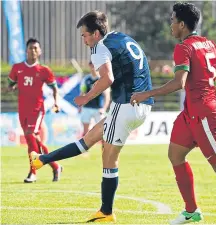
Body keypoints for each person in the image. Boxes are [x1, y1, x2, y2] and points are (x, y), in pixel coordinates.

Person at [31, 11, 154, 222]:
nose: (84, 40)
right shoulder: (122, 38)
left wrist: (86, 97)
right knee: (90, 140)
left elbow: (107, 79)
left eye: (85, 35)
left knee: (108, 158)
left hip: (126, 106)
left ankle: (106, 211)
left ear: (96, 33)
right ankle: (42, 160)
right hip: (143, 105)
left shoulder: (99, 48)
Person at [130, 2, 216, 225]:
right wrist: (214, 91)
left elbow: (178, 83)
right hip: (191, 114)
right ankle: (191, 210)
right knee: (175, 155)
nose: (170, 24)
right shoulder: (209, 44)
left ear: (182, 24)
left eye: (172, 20)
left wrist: (146, 94)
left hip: (202, 114)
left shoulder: (184, 47)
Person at [8, 38, 62, 183]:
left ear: (40, 51)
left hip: (37, 110)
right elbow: (11, 84)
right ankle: (55, 166)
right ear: (26, 51)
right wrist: (10, 88)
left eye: (36, 48)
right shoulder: (17, 68)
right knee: (34, 141)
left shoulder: (44, 70)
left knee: (31, 137)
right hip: (22, 111)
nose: (33, 50)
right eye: (31, 48)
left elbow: (54, 88)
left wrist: (56, 103)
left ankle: (33, 173)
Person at [79, 61, 110, 135]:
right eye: (91, 65)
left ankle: (104, 146)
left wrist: (104, 108)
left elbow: (107, 96)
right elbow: (82, 93)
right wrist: (80, 105)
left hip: (98, 108)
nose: (93, 67)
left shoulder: (102, 79)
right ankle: (84, 146)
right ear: (89, 66)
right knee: (85, 132)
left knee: (102, 131)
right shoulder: (86, 79)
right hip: (87, 107)